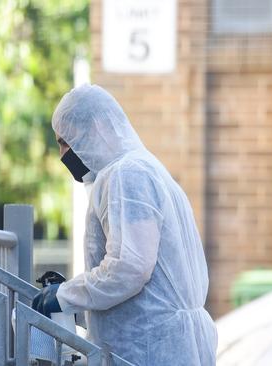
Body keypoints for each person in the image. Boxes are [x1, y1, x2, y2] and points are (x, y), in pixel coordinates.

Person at [34, 84, 218, 365]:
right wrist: (77, 297)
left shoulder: (127, 174)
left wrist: (66, 296)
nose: (62, 155)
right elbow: (151, 292)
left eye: (64, 141)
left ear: (94, 127)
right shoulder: (145, 169)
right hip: (163, 345)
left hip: (148, 351)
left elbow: (129, 269)